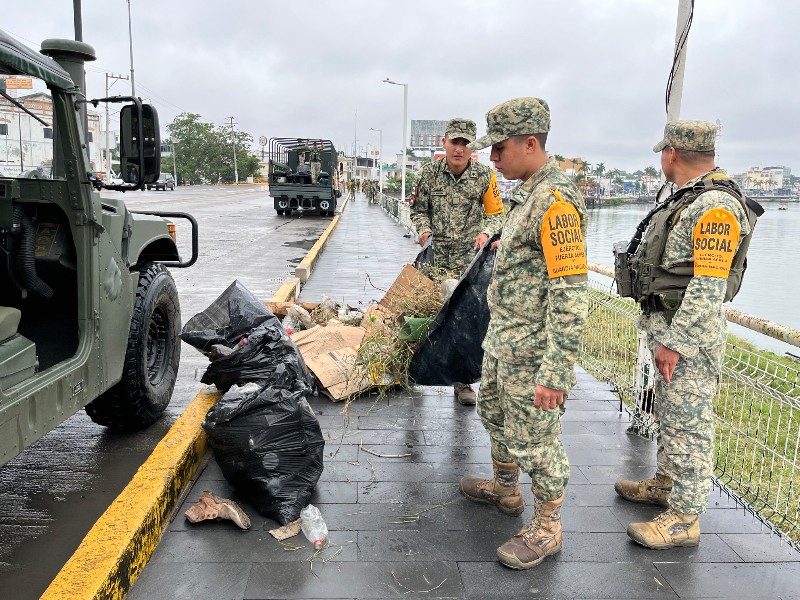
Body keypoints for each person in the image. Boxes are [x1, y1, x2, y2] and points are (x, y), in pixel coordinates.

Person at [458, 97, 589, 570]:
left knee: (537, 441)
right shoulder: (526, 192)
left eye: (499, 148)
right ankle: (505, 490)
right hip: (503, 342)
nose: (492, 158)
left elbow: (571, 294)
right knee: (494, 417)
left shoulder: (556, 205)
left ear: (530, 143)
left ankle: (547, 526)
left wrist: (555, 372)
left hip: (533, 353)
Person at [614, 120, 757, 549]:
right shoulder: (693, 199)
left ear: (672, 154)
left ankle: (684, 519)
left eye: (663, 153)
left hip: (688, 338)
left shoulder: (715, 207)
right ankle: (667, 484)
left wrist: (677, 343)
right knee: (671, 416)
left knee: (689, 425)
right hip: (668, 328)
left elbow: (708, 286)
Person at [410, 117, 505, 406]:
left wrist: (487, 232)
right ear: (445, 143)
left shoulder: (485, 177)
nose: (459, 149)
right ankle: (416, 371)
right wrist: (423, 230)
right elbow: (418, 210)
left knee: (465, 322)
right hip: (435, 259)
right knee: (424, 316)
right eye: (455, 142)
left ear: (472, 147)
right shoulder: (427, 174)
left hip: (469, 263)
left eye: (465, 143)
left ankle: (463, 382)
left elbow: (496, 214)